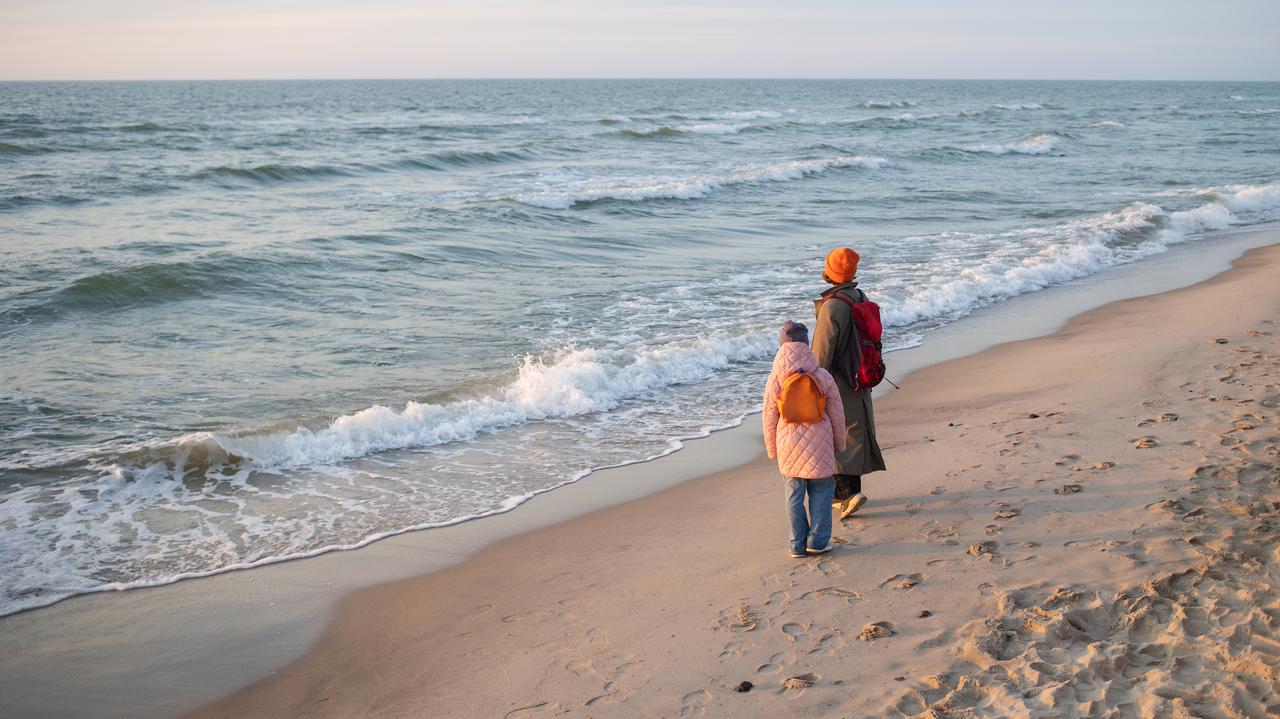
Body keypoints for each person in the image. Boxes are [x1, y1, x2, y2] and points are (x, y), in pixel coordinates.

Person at [812, 247, 887, 519]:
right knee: (855, 430)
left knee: (840, 434)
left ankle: (848, 495)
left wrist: (813, 383)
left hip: (840, 380)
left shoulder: (833, 305)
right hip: (861, 374)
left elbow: (821, 354)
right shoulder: (859, 296)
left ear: (828, 271)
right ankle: (845, 494)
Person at [762, 321, 847, 558]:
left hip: (788, 444)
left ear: (781, 346)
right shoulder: (821, 375)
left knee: (794, 494)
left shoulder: (775, 378)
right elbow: (837, 412)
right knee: (822, 489)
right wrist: (839, 442)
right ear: (807, 345)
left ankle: (796, 544)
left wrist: (772, 449)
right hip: (820, 444)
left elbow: (769, 415)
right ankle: (818, 542)